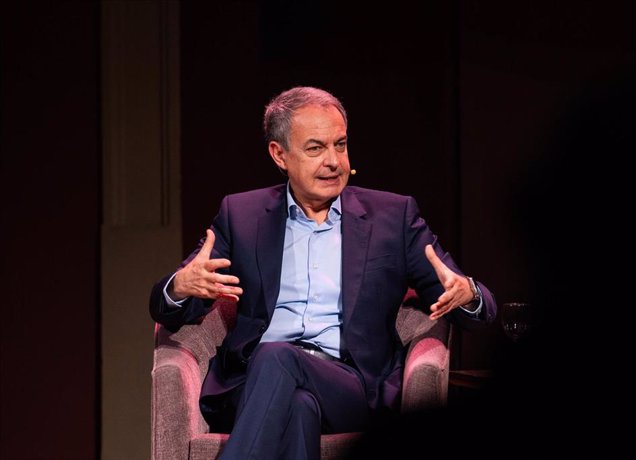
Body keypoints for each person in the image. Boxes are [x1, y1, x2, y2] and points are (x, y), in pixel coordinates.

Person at [149, 86, 497, 459]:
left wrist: (470, 296)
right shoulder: (242, 215)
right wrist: (180, 287)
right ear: (279, 155)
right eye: (315, 148)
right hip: (254, 383)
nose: (334, 161)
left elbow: (475, 305)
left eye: (341, 145)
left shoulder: (392, 217)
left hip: (353, 385)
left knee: (278, 357)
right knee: (299, 406)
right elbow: (168, 305)